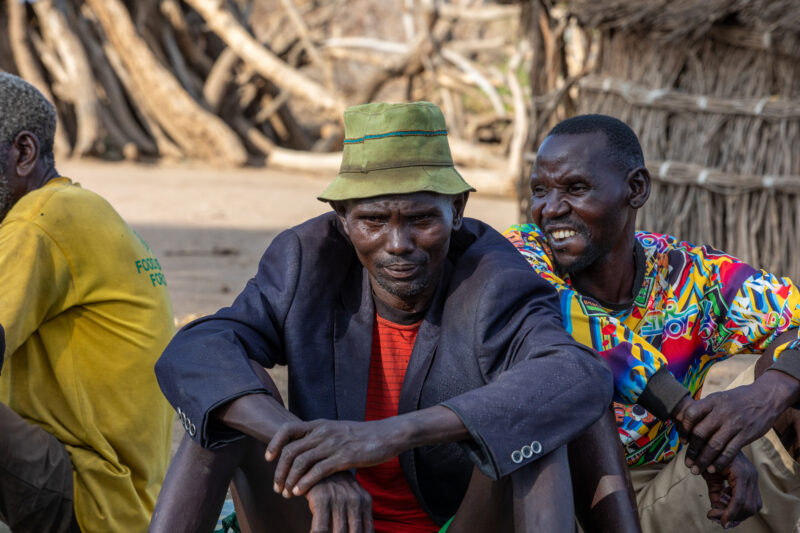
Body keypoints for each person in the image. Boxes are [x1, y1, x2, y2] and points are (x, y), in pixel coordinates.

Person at [151, 101, 617, 533]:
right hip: (322, 520)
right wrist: (311, 456)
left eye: (420, 220)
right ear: (342, 216)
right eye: (373, 221)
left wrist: (384, 436)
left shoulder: (491, 274)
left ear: (456, 211)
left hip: (455, 522)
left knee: (535, 422)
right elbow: (196, 351)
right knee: (220, 405)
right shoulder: (304, 260)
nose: (398, 244)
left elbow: (575, 374)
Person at [505, 114, 800, 531]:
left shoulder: (693, 276)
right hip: (557, 497)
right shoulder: (520, 255)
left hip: (674, 485)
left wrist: (766, 396)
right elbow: (583, 330)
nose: (550, 209)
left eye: (575, 188)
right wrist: (688, 414)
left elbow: (793, 315)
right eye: (540, 190)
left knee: (791, 390)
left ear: (636, 189)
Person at [0, 73, 175, 532]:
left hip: (91, 495)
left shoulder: (37, 224)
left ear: (23, 153)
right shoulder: (76, 208)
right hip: (124, 497)